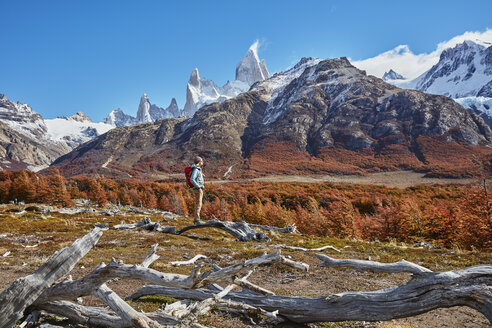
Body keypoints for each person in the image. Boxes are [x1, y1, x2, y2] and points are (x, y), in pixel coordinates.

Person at [190, 156, 205, 224]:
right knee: (198, 204)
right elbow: (192, 179)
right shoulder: (196, 170)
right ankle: (197, 220)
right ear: (199, 162)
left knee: (198, 204)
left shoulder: (197, 169)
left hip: (198, 189)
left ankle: (196, 219)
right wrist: (198, 186)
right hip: (198, 189)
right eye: (202, 161)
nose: (203, 162)